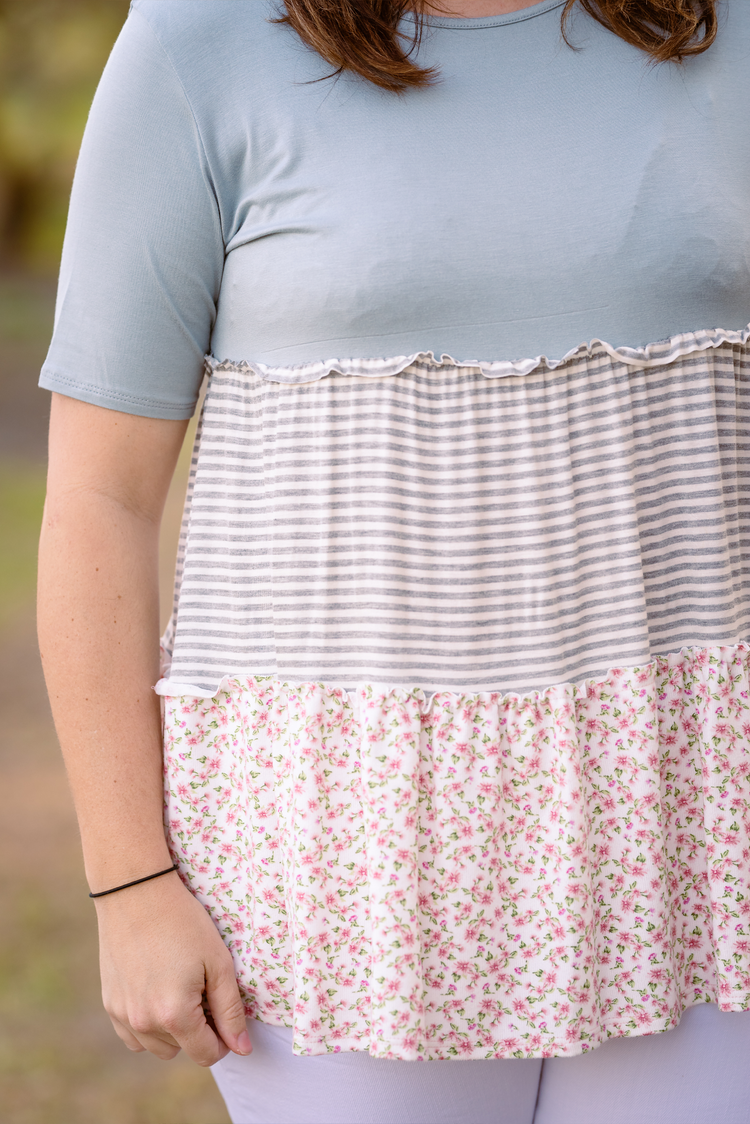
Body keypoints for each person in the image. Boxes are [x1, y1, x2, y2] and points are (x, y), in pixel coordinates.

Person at [36, 1, 750, 1121]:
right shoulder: (200, 43)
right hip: (347, 861)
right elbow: (98, 501)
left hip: (699, 830)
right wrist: (131, 882)